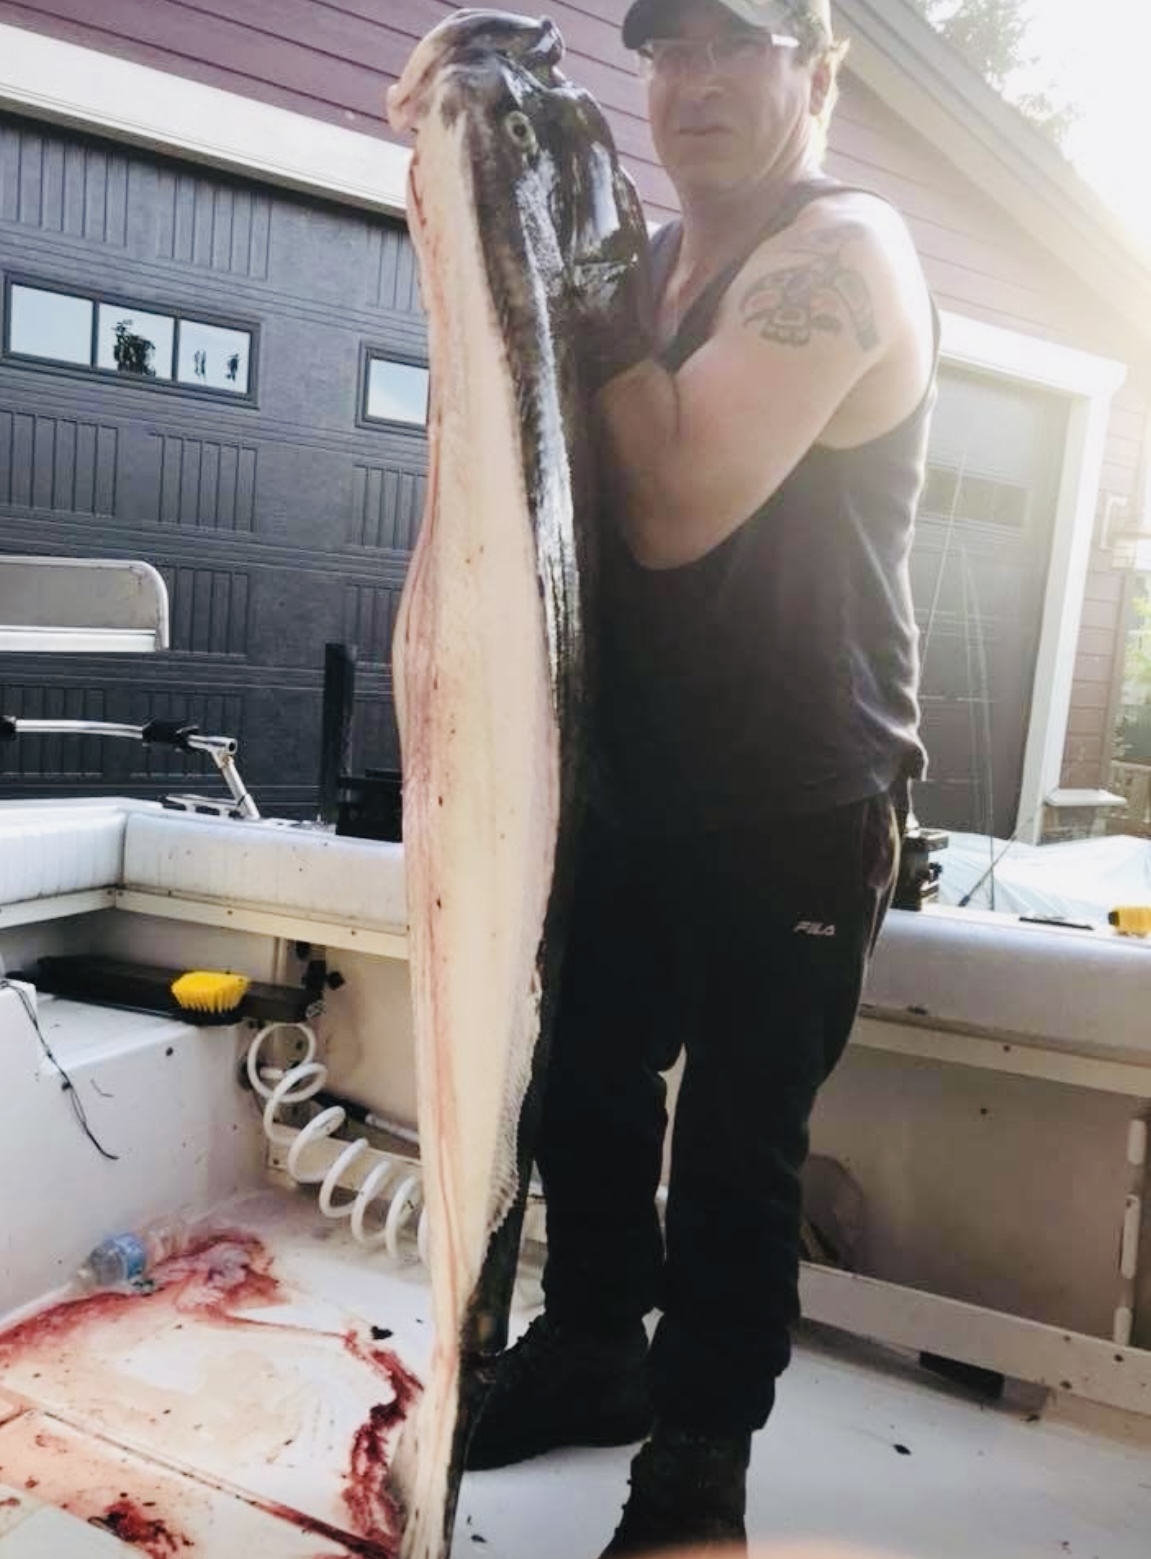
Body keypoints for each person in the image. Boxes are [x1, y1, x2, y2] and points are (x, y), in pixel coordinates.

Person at [466, 2, 937, 1555]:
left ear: (823, 69)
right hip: (634, 773)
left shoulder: (843, 255)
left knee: (736, 1152)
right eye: (667, 48)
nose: (694, 84)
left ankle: (694, 1478)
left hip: (801, 796)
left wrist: (573, 244)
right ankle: (595, 1350)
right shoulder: (656, 267)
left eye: (740, 44)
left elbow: (665, 501)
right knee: (584, 1093)